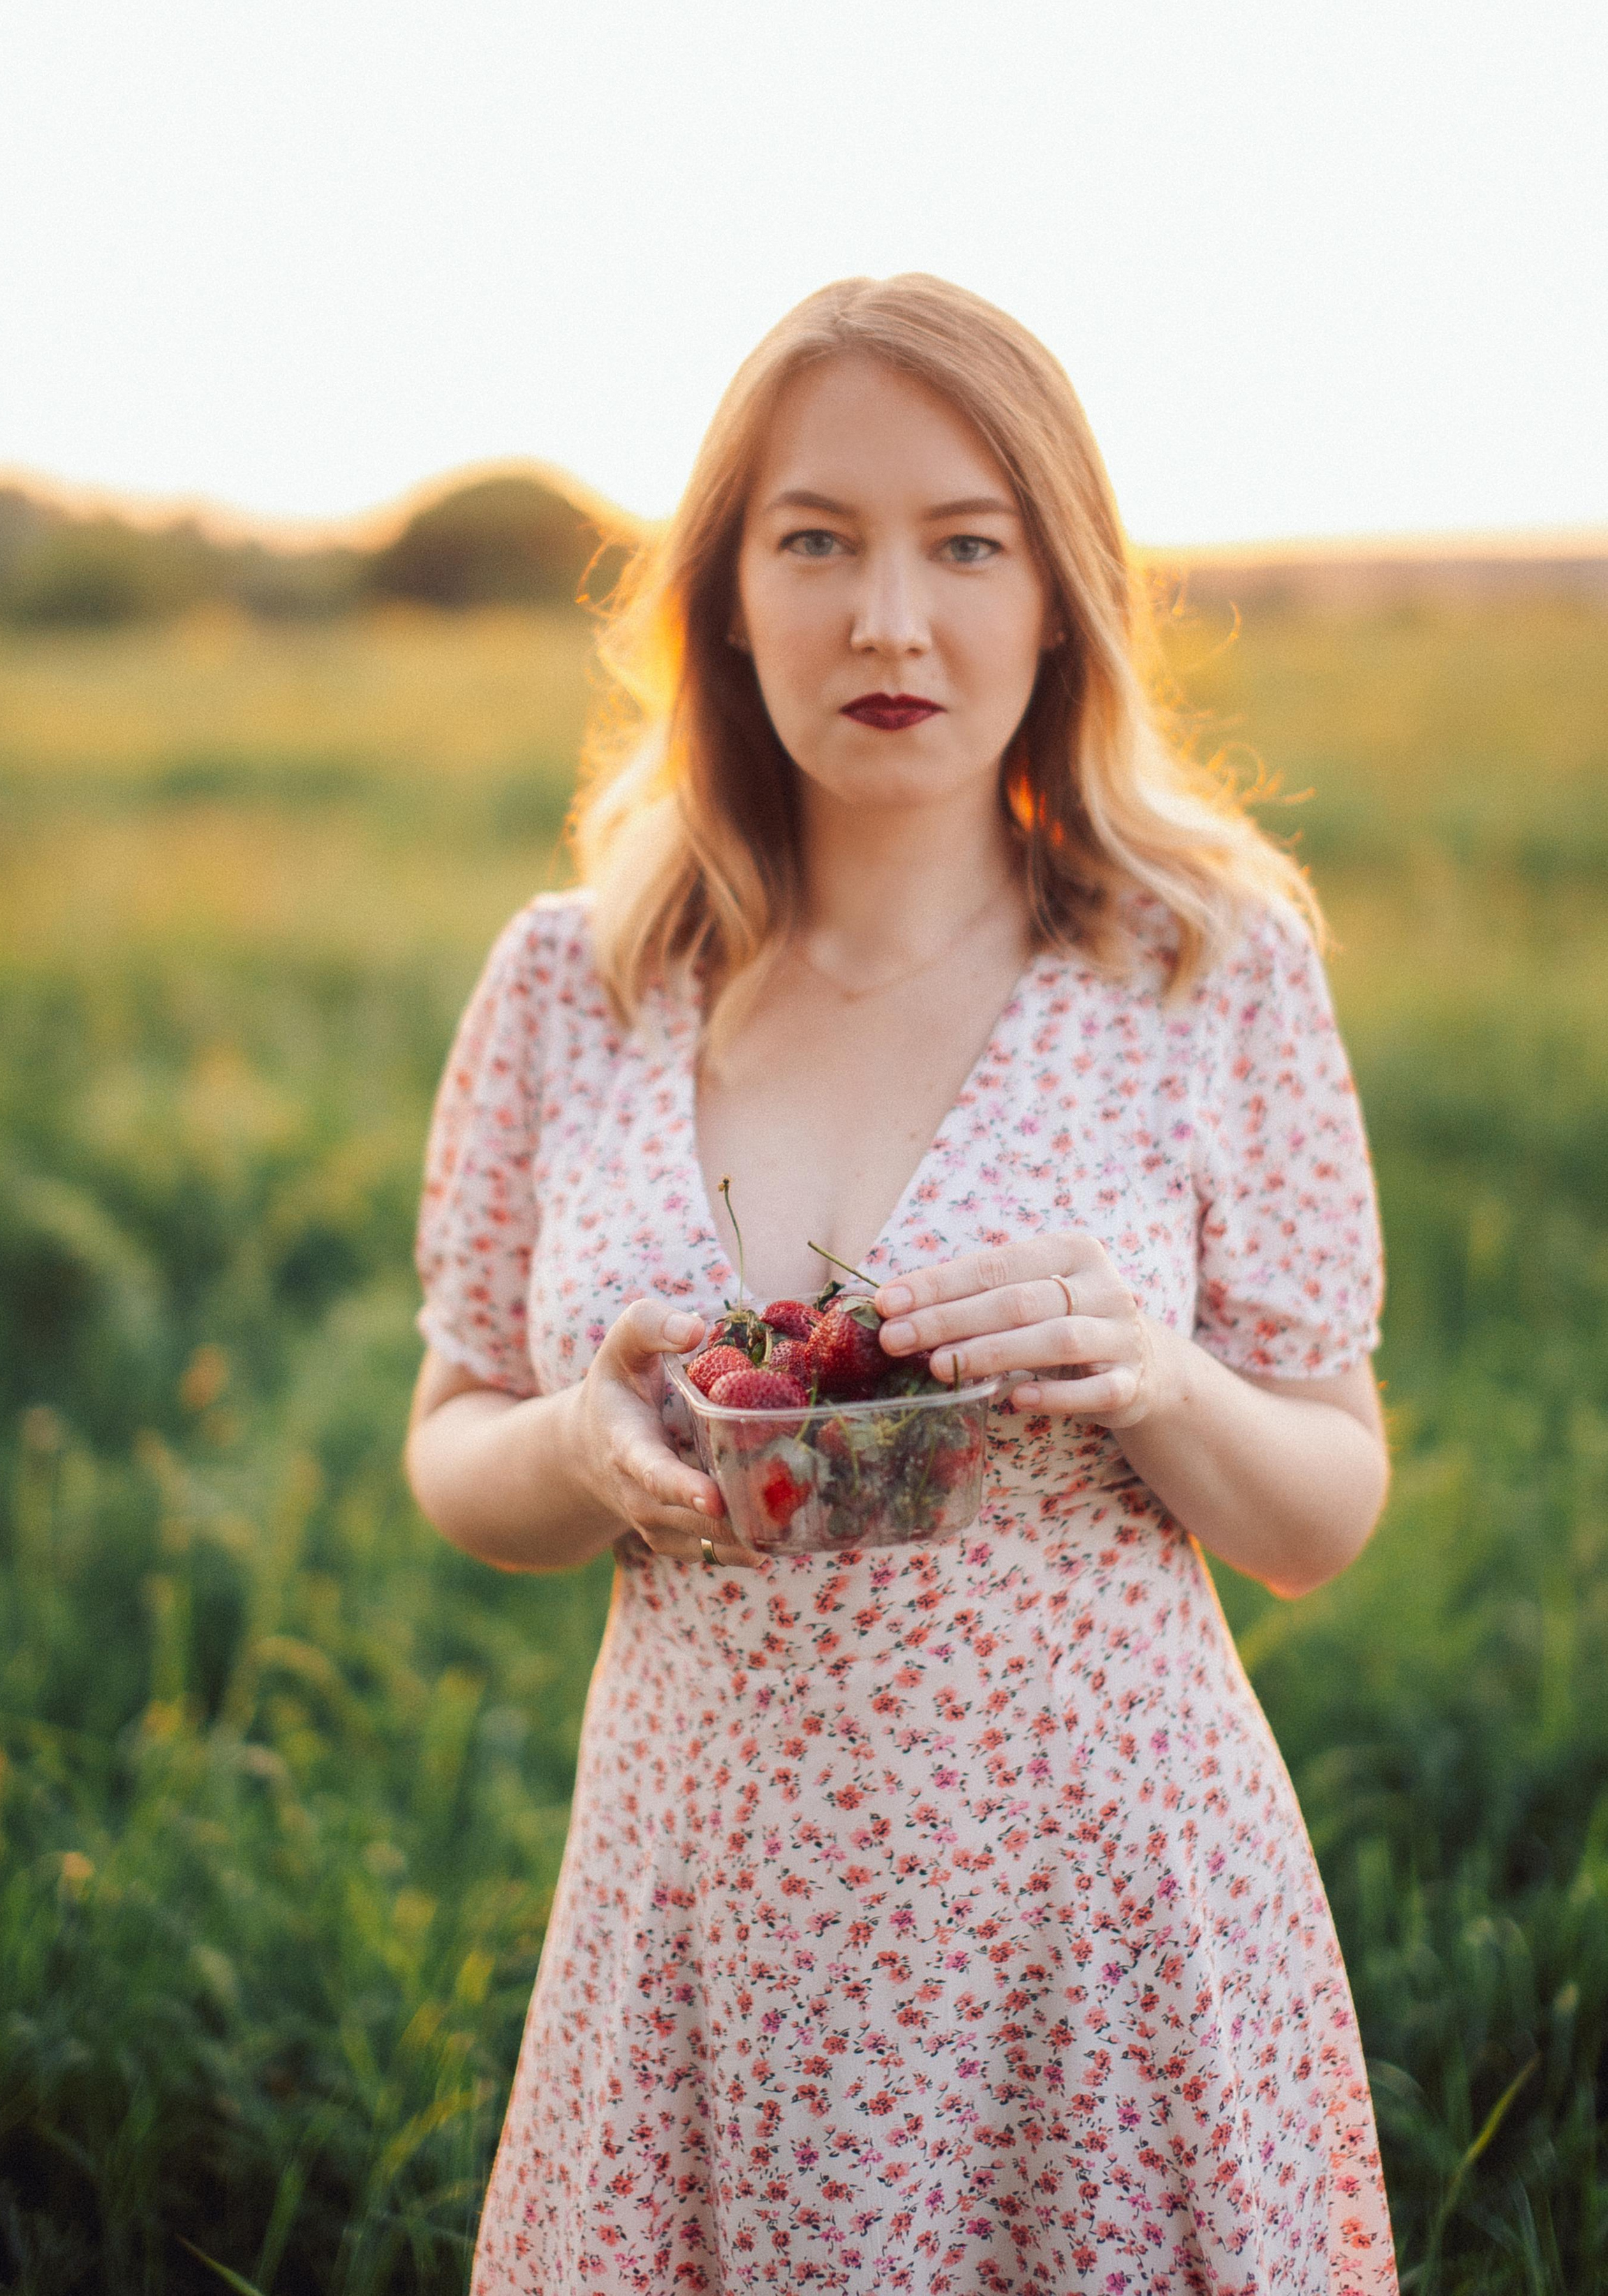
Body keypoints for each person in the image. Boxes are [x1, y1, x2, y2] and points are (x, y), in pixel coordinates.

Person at [406, 274, 1398, 2294]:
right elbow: (452, 1446)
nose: (887, 619)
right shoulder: (575, 987)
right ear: (723, 596)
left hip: (1101, 1942)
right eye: (815, 543)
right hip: (706, 1939)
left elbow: (1323, 1512)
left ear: (1060, 599)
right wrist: (582, 1451)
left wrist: (1155, 1377)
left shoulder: (1204, 971)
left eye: (965, 544)